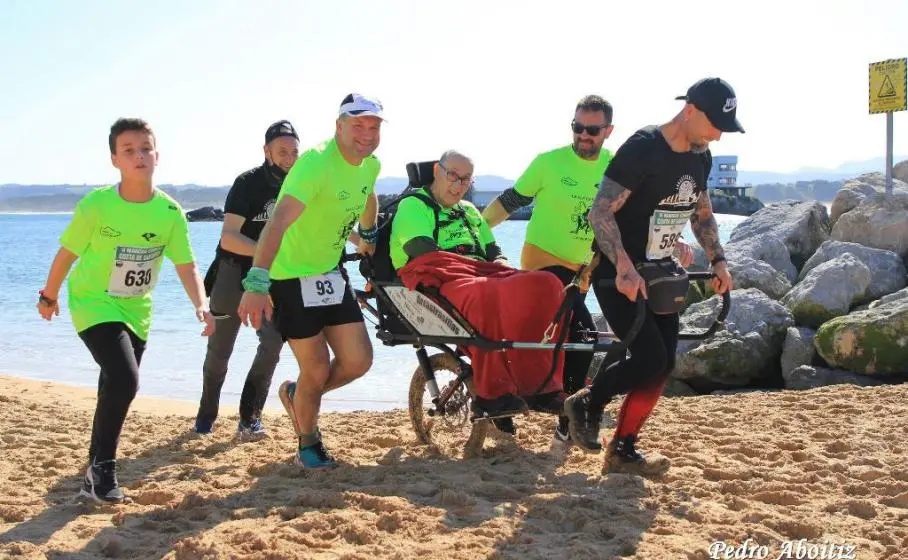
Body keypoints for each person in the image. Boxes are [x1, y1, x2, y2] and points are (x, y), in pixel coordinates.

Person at [564, 77, 740, 476]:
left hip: (660, 272)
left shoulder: (700, 156)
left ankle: (622, 449)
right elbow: (600, 212)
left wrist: (718, 261)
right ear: (690, 110)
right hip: (617, 272)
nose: (719, 136)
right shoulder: (643, 148)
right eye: (716, 125)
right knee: (649, 357)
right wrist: (624, 265)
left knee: (661, 367)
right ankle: (587, 403)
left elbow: (701, 213)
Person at [37, 118, 216, 503]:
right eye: (129, 150)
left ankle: (93, 471)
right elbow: (67, 254)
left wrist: (201, 304)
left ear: (157, 155)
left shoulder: (169, 212)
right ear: (115, 159)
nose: (139, 156)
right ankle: (103, 473)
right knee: (124, 379)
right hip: (93, 302)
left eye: (146, 148)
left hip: (138, 310)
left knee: (112, 384)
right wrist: (48, 296)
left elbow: (187, 266)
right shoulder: (97, 205)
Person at [237, 93, 382, 469]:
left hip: (330, 273)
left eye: (373, 125)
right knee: (316, 366)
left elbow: (368, 196)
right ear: (339, 126)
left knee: (358, 360)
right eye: (357, 125)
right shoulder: (315, 165)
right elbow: (277, 223)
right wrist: (256, 283)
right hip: (288, 277)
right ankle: (308, 441)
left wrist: (369, 234)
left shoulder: (369, 164)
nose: (366, 134)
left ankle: (298, 395)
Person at [482, 94, 615, 445]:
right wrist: (476, 230)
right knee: (581, 335)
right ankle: (561, 417)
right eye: (577, 127)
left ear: (608, 131)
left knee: (554, 343)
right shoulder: (548, 163)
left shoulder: (616, 168)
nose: (583, 135)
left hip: (583, 270)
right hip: (543, 263)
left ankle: (560, 420)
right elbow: (512, 201)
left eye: (592, 129)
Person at [194, 120, 300, 439]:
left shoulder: (301, 185)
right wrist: (265, 253)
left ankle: (249, 418)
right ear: (266, 151)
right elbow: (228, 238)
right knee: (220, 350)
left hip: (271, 277)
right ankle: (206, 415)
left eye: (295, 151)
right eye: (282, 151)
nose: (289, 158)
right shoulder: (247, 183)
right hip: (232, 272)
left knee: (271, 343)